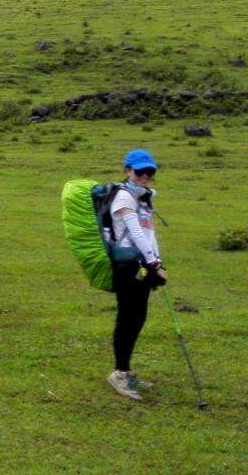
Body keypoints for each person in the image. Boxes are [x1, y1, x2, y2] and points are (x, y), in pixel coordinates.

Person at [105, 148, 165, 401]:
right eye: (140, 171)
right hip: (127, 267)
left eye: (150, 171)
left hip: (142, 264)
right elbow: (135, 233)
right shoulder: (123, 198)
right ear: (127, 170)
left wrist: (157, 261)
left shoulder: (142, 198)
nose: (145, 176)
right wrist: (153, 263)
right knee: (128, 318)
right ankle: (119, 373)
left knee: (138, 317)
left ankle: (126, 370)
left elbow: (149, 232)